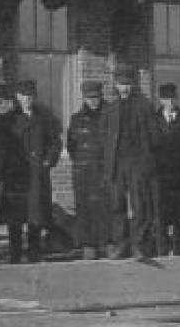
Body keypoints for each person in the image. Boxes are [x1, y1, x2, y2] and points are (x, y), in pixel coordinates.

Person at [0, 79, 63, 264]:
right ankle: (15, 254)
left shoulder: (44, 118)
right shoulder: (7, 120)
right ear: (17, 97)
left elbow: (55, 143)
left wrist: (48, 161)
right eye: (23, 96)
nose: (27, 99)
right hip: (15, 176)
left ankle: (35, 252)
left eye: (30, 96)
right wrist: (4, 169)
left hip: (37, 175)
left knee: (36, 216)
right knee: (15, 218)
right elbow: (0, 147)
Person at [103, 65, 161, 260]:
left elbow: (155, 137)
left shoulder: (144, 106)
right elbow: (105, 137)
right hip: (117, 164)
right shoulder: (111, 108)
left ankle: (139, 245)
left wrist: (147, 160)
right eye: (120, 84)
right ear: (115, 85)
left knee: (139, 205)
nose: (124, 88)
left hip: (137, 163)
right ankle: (120, 244)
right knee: (117, 205)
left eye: (127, 84)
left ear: (133, 84)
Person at [66, 80, 111, 260]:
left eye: (96, 98)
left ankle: (108, 242)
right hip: (84, 171)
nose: (93, 102)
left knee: (106, 208)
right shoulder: (76, 119)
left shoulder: (110, 115)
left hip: (105, 170)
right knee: (85, 209)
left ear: (101, 97)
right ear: (84, 98)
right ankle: (88, 245)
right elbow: (71, 146)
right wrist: (82, 162)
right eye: (89, 98)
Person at [154, 83, 180, 256]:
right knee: (160, 214)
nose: (170, 102)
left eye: (172, 99)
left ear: (177, 99)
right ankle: (162, 249)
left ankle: (179, 248)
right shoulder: (153, 120)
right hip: (159, 174)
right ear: (160, 100)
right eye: (166, 99)